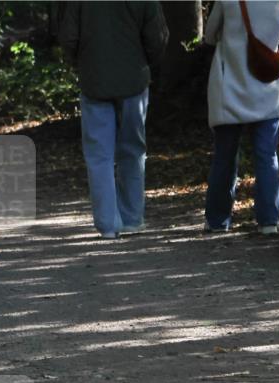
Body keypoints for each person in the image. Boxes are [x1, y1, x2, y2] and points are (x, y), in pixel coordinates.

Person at [59, 1, 169, 240]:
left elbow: (68, 37)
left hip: (94, 80)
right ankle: (131, 218)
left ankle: (108, 224)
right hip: (134, 80)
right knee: (133, 149)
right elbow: (157, 37)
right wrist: (145, 63)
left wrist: (82, 63)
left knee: (99, 156)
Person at [203, 0, 279, 235]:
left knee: (225, 156)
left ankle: (218, 219)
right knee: (267, 155)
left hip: (230, 85)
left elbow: (209, 35)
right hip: (268, 87)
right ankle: (269, 220)